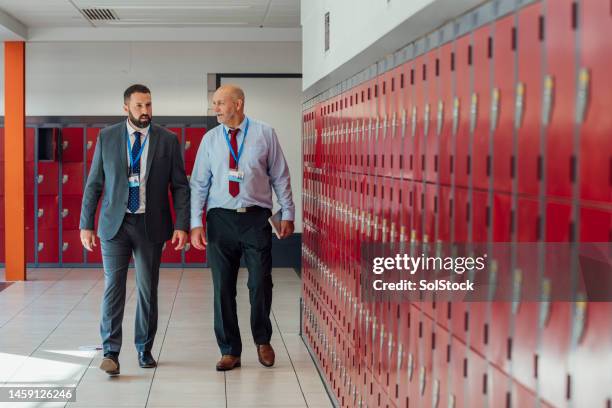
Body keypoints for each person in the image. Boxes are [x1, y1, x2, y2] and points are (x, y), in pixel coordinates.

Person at [79, 84, 190, 376]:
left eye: (149, 105)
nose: (145, 111)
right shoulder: (107, 137)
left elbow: (180, 186)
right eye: (139, 106)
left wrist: (181, 225)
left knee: (146, 289)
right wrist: (85, 224)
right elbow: (94, 184)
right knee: (113, 288)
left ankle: (144, 348)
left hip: (150, 225)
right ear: (126, 107)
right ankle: (111, 352)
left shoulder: (167, 140)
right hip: (115, 224)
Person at [190, 84, 295, 371]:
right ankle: (229, 350)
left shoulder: (264, 133)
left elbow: (280, 176)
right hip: (220, 219)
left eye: (220, 103)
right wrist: (196, 223)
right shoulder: (210, 140)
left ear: (238, 104)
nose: (216, 109)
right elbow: (199, 184)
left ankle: (262, 339)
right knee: (223, 287)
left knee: (260, 281)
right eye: (214, 103)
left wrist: (287, 213)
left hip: (255, 217)